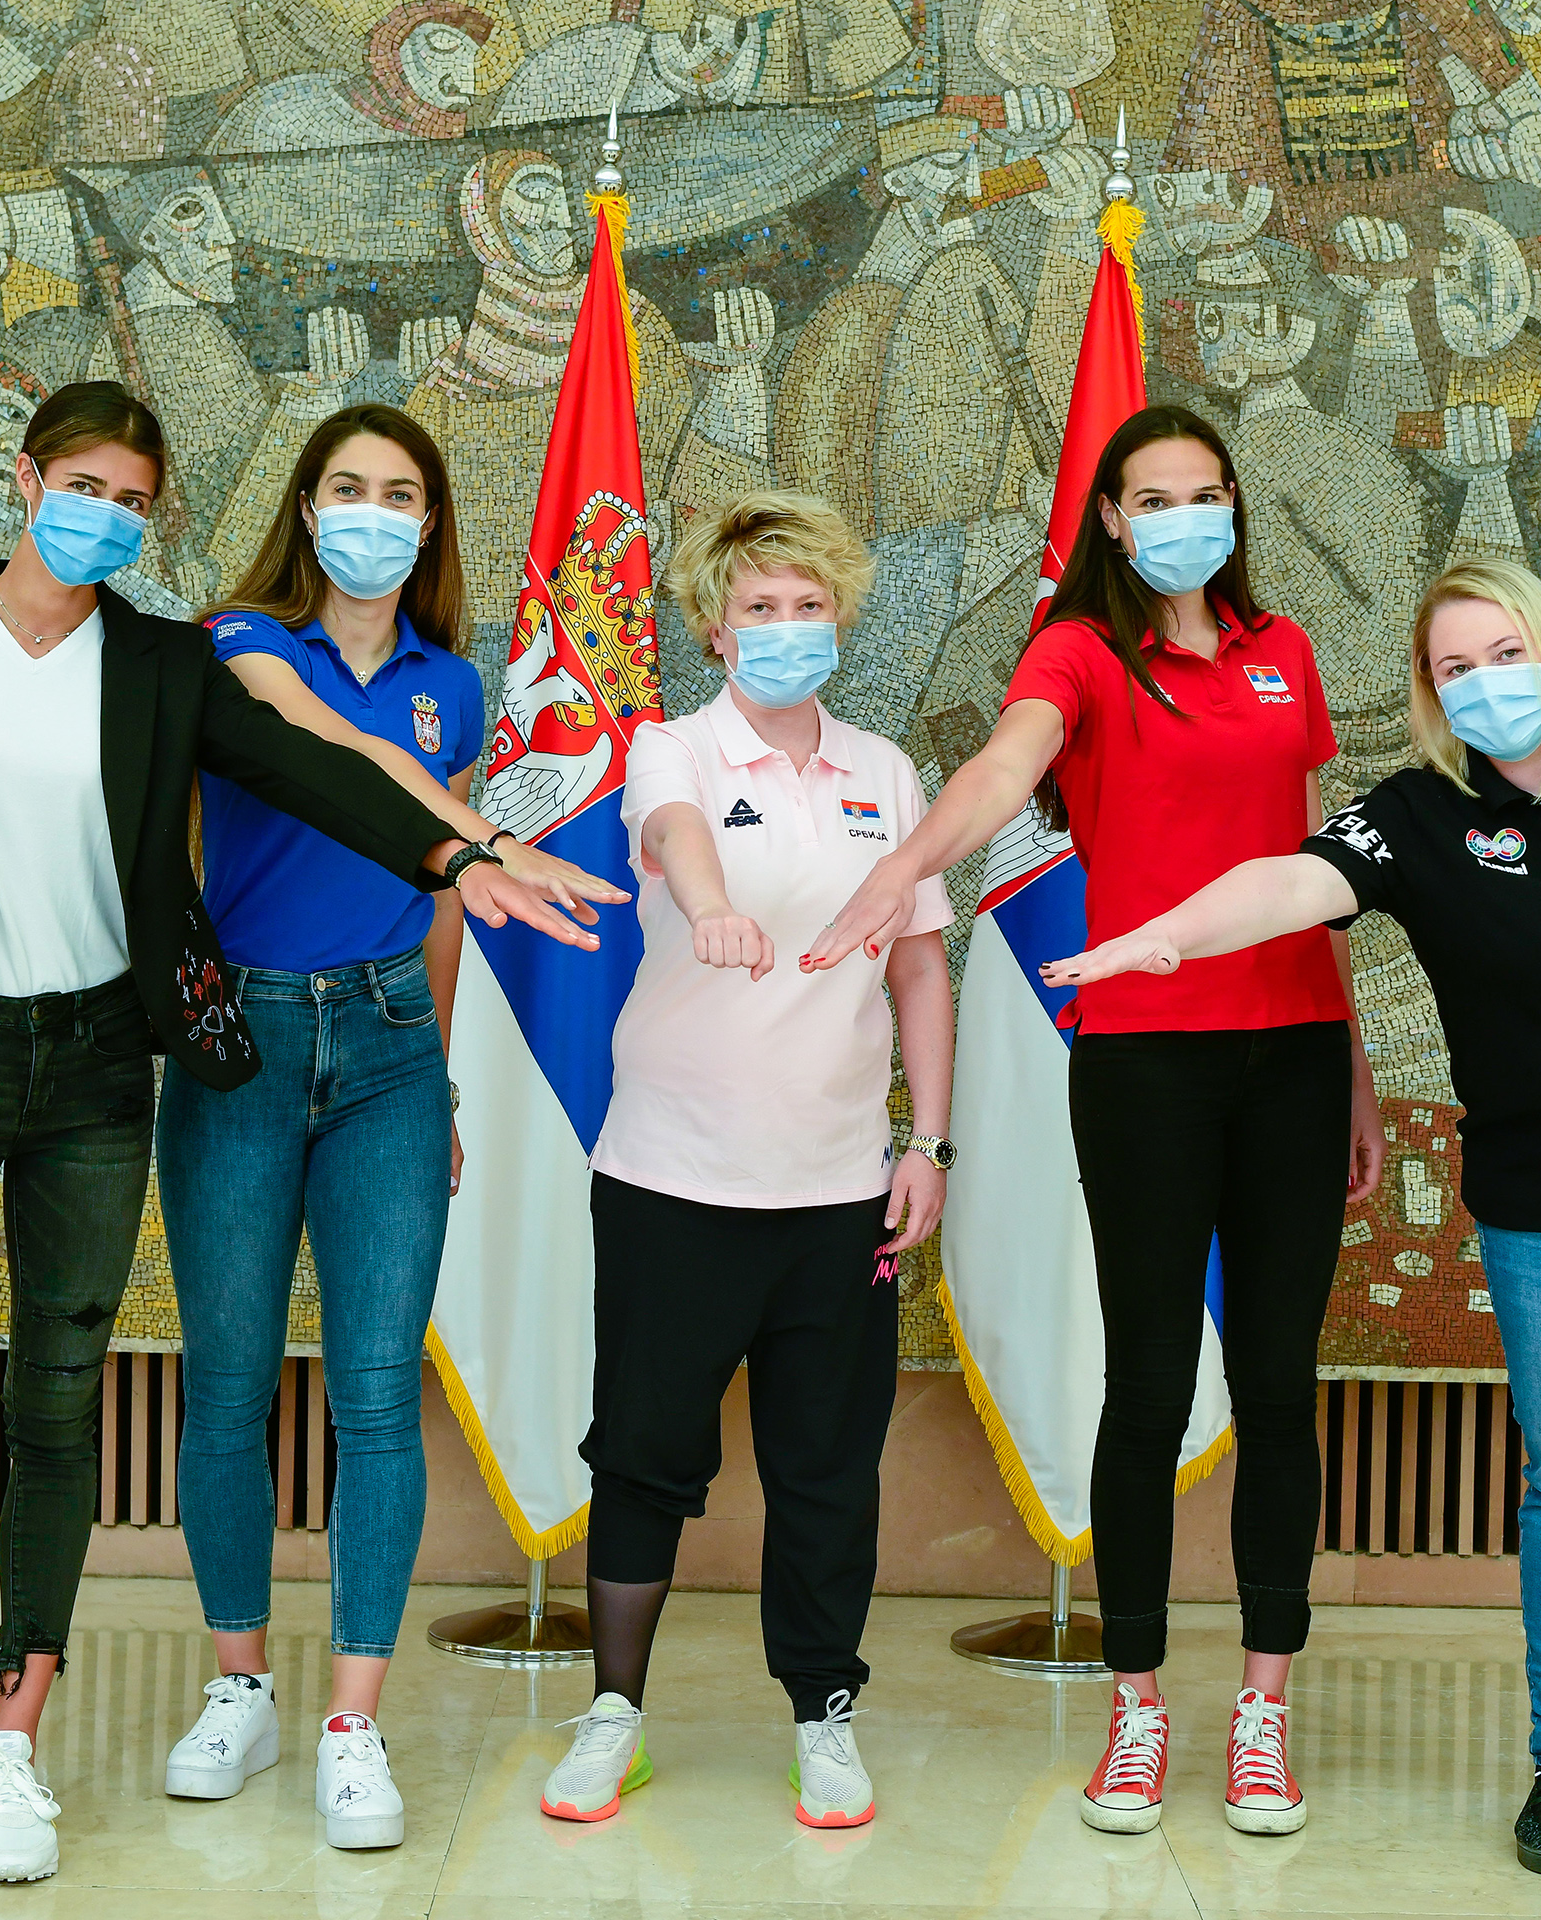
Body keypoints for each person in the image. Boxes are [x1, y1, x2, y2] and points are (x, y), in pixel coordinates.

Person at [0, 380, 598, 1884]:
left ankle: (16, 1743)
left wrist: (463, 856)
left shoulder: (158, 660)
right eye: (86, 485)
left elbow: (311, 773)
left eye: (137, 501)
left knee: (59, 1411)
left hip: (88, 1073)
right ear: (25, 478)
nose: (108, 517)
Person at [1040, 556, 1541, 1880]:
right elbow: (1290, 886)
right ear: (1428, 693)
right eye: (1452, 669)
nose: (1483, 685)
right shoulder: (1420, 814)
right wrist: (1158, 938)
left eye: (1502, 653)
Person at [806, 406, 1383, 1839]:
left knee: (1276, 1384)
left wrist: (1360, 1065)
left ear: (1232, 506)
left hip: (1299, 1057)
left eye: (1208, 492)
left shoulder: (1283, 653)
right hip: (1143, 1065)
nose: (1185, 515)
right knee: (1146, 1385)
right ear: (1113, 520)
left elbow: (1309, 873)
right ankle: (1137, 1708)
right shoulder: (1079, 653)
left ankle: (1263, 1708)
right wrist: (905, 873)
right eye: (1154, 497)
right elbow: (1009, 770)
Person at [155, 405, 624, 1847]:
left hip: (387, 1056)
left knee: (372, 1392)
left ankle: (353, 1717)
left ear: (430, 524)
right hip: (243, 1039)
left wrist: (440, 1064)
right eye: (347, 488)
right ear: (305, 510)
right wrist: (481, 837)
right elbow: (335, 764)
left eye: (401, 493)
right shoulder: (238, 642)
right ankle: (241, 1685)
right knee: (230, 1382)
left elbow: (437, 902)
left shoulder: (454, 683)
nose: (373, 511)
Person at [540, 492, 954, 1832]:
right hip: (671, 1177)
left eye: (808, 605)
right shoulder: (672, 748)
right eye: (759, 608)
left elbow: (921, 968)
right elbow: (673, 838)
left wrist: (927, 1142)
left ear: (840, 617)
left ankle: (824, 1715)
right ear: (713, 627)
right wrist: (710, 911)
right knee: (647, 1454)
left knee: (827, 1466)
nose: (784, 629)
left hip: (838, 1191)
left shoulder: (885, 774)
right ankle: (614, 1712)